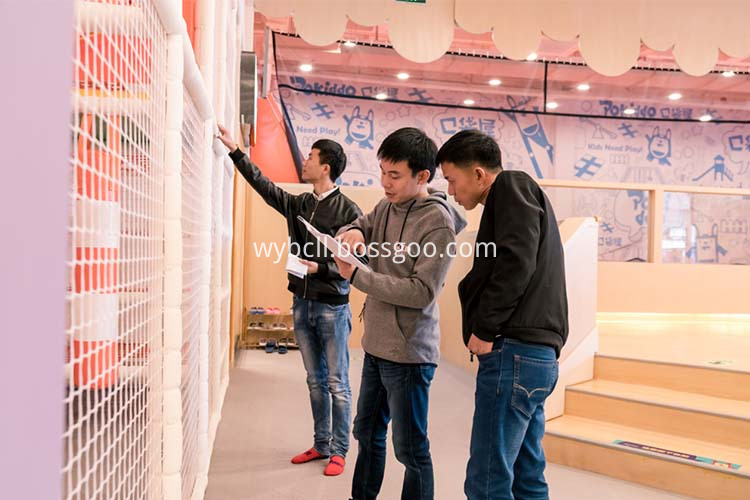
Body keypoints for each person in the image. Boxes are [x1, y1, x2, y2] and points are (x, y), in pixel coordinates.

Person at [216, 125, 362, 476]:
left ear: (326, 167)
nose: (305, 160)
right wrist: (237, 150)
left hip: (332, 308)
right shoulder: (299, 204)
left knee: (337, 383)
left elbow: (358, 262)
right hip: (302, 305)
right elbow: (264, 187)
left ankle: (340, 450)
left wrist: (320, 267)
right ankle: (321, 444)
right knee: (315, 381)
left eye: (311, 156)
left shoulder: (349, 211)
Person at [436, 129, 568, 500]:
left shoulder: (510, 186)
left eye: (452, 180)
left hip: (514, 353)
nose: (450, 191)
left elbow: (514, 262)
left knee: (488, 479)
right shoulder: (517, 197)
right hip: (535, 357)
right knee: (527, 475)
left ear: (478, 174)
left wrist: (485, 326)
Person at [335, 127, 467, 500]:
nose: (385, 183)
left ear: (422, 176)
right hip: (376, 346)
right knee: (367, 434)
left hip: (409, 355)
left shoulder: (437, 223)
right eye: (382, 172)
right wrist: (353, 233)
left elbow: (421, 292)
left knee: (410, 450)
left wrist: (359, 276)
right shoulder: (386, 206)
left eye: (394, 175)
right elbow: (360, 223)